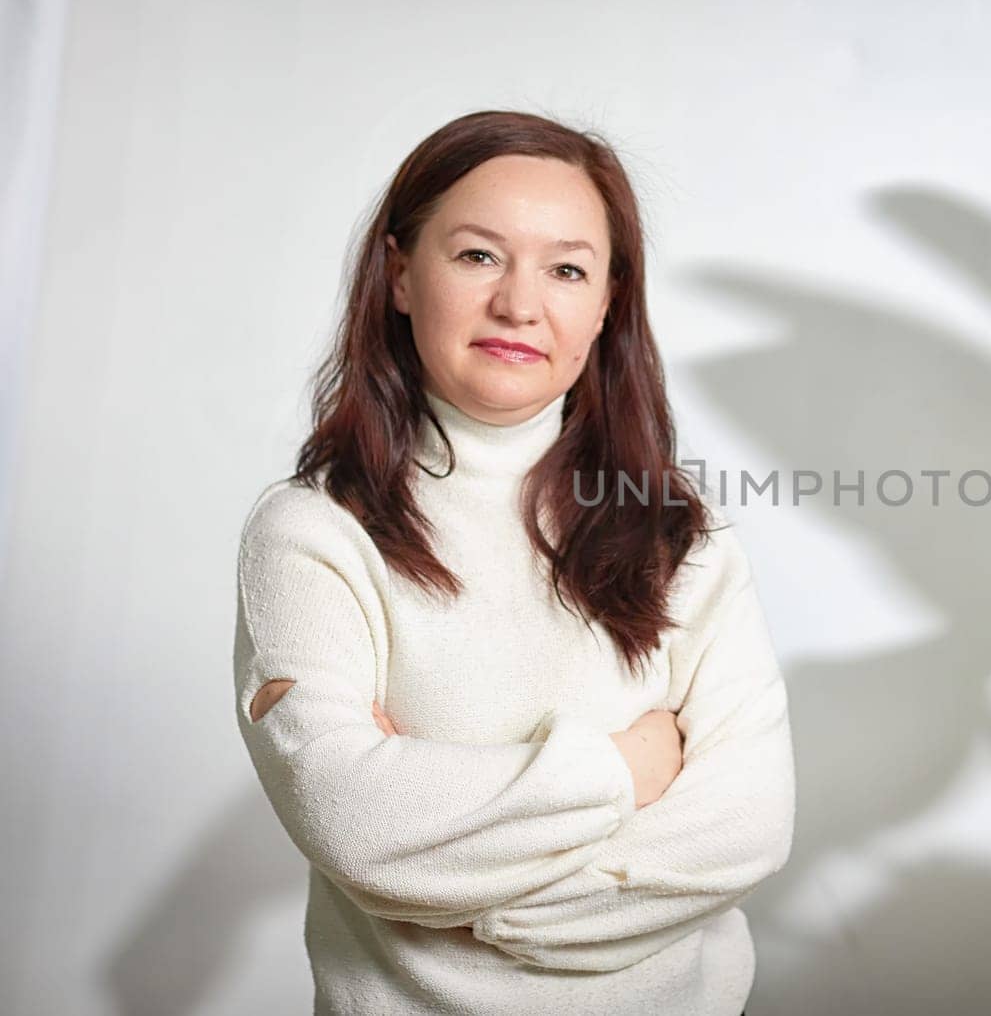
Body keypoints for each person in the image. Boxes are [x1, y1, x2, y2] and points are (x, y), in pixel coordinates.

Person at [231, 109, 795, 1016]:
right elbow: (349, 816)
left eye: (568, 269)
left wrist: (471, 902)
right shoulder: (313, 533)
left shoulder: (679, 536)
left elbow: (748, 826)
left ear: (608, 303)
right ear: (401, 273)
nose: (520, 305)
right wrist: (621, 771)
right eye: (478, 255)